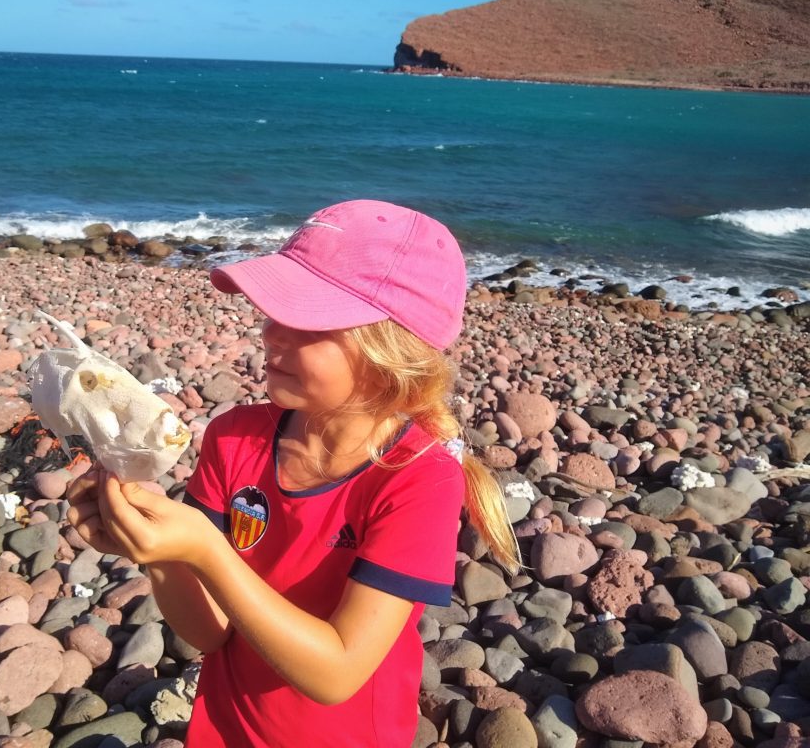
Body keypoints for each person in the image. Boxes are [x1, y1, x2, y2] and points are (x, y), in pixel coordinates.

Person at [67, 199, 520, 747]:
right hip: (223, 728)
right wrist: (160, 553)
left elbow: (337, 674)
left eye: (306, 321)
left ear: (389, 351)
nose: (273, 334)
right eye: (274, 313)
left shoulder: (419, 479)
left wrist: (204, 550)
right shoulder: (235, 436)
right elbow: (210, 634)